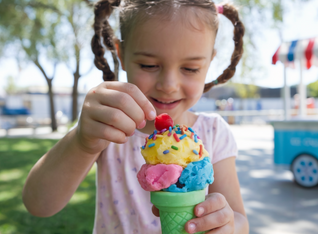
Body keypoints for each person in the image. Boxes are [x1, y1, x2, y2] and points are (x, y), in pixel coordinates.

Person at [22, 0, 249, 233]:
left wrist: (229, 225)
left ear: (209, 61)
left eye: (190, 68)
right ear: (121, 54)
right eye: (149, 65)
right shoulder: (106, 128)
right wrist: (82, 142)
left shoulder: (213, 133)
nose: (169, 85)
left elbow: (240, 220)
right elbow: (38, 204)